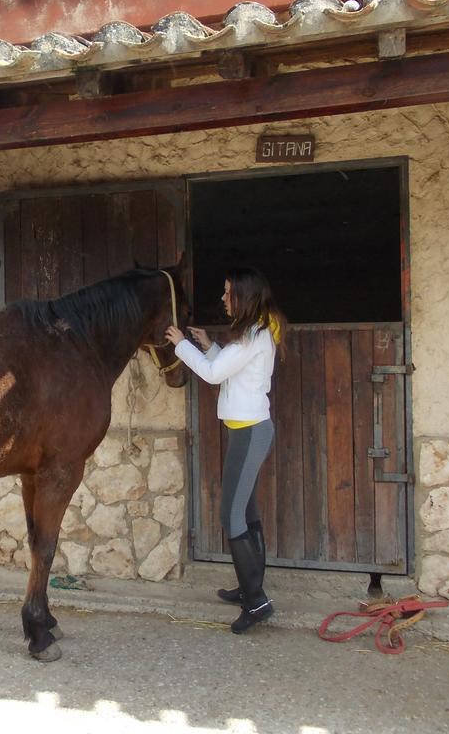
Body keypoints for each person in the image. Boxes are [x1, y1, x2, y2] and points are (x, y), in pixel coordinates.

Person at [164, 267, 286, 634]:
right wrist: (209, 346)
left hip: (250, 433)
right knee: (245, 512)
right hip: (245, 432)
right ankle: (249, 589)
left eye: (227, 292)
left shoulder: (254, 336)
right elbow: (233, 369)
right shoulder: (254, 333)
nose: (222, 297)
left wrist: (180, 343)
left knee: (231, 515)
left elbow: (214, 374)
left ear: (243, 297)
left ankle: (256, 602)